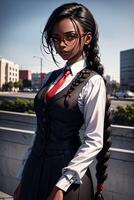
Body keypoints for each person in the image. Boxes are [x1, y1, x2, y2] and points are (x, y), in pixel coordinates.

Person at [14, 2, 111, 200]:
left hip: (67, 175)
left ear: (87, 38)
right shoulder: (51, 76)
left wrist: (62, 185)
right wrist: (23, 177)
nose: (61, 45)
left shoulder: (93, 82)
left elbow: (94, 141)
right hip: (34, 170)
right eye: (55, 38)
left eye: (70, 36)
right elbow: (39, 130)